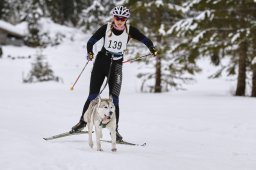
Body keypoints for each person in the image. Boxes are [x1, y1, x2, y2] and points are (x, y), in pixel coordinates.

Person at [70, 6, 158, 142]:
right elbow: (91, 41)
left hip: (116, 65)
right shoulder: (106, 28)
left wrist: (152, 48)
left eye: (123, 19)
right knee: (93, 95)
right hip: (101, 62)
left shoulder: (130, 30)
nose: (120, 21)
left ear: (126, 20)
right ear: (113, 18)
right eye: (117, 18)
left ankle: (114, 130)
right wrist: (90, 52)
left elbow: (145, 40)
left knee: (115, 99)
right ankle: (83, 122)